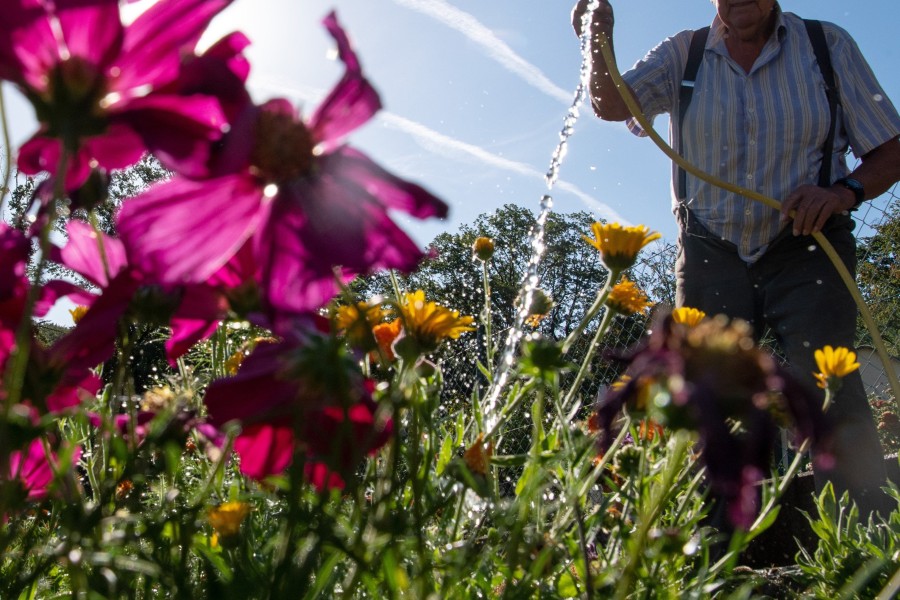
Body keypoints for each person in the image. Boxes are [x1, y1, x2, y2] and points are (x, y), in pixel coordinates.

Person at [571, 0, 900, 518]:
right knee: (711, 400)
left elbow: (891, 146)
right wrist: (596, 40)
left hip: (808, 246)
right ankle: (725, 545)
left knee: (829, 386)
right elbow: (615, 105)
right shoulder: (686, 52)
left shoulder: (826, 45)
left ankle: (862, 533)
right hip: (710, 247)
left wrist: (843, 192)